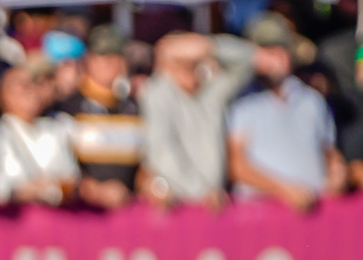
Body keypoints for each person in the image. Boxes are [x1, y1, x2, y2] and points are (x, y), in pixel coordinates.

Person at [226, 14, 345, 210]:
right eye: (268, 50)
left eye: (281, 48)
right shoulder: (241, 101)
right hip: (260, 214)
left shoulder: (312, 99)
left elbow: (328, 150)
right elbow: (236, 165)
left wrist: (337, 172)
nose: (277, 56)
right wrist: (284, 190)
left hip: (313, 211)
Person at [138, 31, 254, 206]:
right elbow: (162, 151)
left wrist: (209, 45)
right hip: (178, 204)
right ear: (164, 64)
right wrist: (200, 191)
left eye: (193, 62)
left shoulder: (211, 92)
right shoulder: (156, 93)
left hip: (212, 203)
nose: (187, 68)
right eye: (179, 61)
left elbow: (248, 60)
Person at [54, 25, 142, 207]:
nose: (109, 63)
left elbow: (144, 161)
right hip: (84, 211)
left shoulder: (134, 108)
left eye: (115, 56)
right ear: (88, 61)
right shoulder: (69, 107)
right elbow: (59, 164)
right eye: (102, 56)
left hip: (128, 209)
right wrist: (93, 190)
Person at [0, 59, 79, 205]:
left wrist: (50, 189)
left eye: (33, 83)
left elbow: (71, 179)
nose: (30, 90)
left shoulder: (55, 128)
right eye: (22, 85)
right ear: (2, 94)